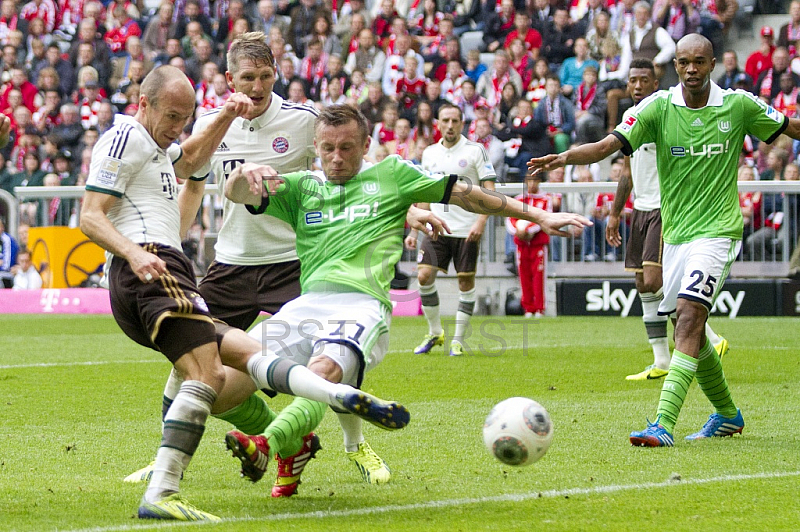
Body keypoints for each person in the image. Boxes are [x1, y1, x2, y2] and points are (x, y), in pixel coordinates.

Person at [80, 66, 411, 522]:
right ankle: (163, 489)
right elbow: (90, 216)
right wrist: (135, 254)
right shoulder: (124, 137)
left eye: (186, 117)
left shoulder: (157, 147)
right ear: (143, 103)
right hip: (155, 265)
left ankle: (311, 423)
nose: (178, 127)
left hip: (196, 265)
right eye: (173, 116)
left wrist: (222, 117)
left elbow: (190, 160)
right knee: (206, 373)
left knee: (248, 354)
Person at [529, 34, 800, 447]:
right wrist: (566, 156)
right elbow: (609, 146)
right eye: (683, 62)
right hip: (675, 237)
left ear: (712, 65)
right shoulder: (656, 108)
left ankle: (663, 422)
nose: (691, 69)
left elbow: (788, 127)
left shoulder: (738, 104)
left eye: (699, 62)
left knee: (690, 317)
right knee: (686, 327)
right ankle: (727, 414)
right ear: (675, 65)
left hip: (718, 232)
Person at [226, 100, 588, 395]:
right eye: (328, 148)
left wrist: (538, 216)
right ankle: (282, 435)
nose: (336, 157)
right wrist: (240, 177)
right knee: (225, 377)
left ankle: (277, 442)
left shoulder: (394, 173)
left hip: (363, 303)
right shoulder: (301, 186)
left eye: (346, 148)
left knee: (326, 370)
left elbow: (467, 194)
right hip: (305, 301)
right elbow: (241, 195)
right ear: (315, 148)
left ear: (366, 146)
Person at [604, 57, 727, 381]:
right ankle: (661, 358)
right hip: (641, 209)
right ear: (627, 84)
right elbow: (628, 171)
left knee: (657, 282)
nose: (638, 85)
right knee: (642, 283)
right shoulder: (631, 119)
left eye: (645, 80)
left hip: (665, 207)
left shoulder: (666, 114)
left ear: (655, 84)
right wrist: (616, 213)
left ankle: (709, 340)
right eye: (633, 80)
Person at [405, 104, 497, 357]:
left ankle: (457, 339)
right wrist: (414, 232)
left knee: (465, 281)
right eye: (445, 120)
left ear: (462, 123)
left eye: (455, 120)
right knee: (423, 276)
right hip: (436, 226)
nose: (450, 125)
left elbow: (490, 190)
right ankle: (435, 332)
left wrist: (481, 221)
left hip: (467, 228)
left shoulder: (476, 150)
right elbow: (424, 192)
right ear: (438, 123)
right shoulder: (430, 154)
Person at [506, 172, 551, 317]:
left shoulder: (545, 199)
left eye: (535, 181)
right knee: (523, 274)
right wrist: (517, 231)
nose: (531, 184)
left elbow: (544, 219)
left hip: (537, 242)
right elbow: (510, 218)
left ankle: (539, 308)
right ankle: (528, 307)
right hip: (522, 243)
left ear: (539, 182)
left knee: (538, 275)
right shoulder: (519, 199)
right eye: (529, 181)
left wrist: (528, 230)